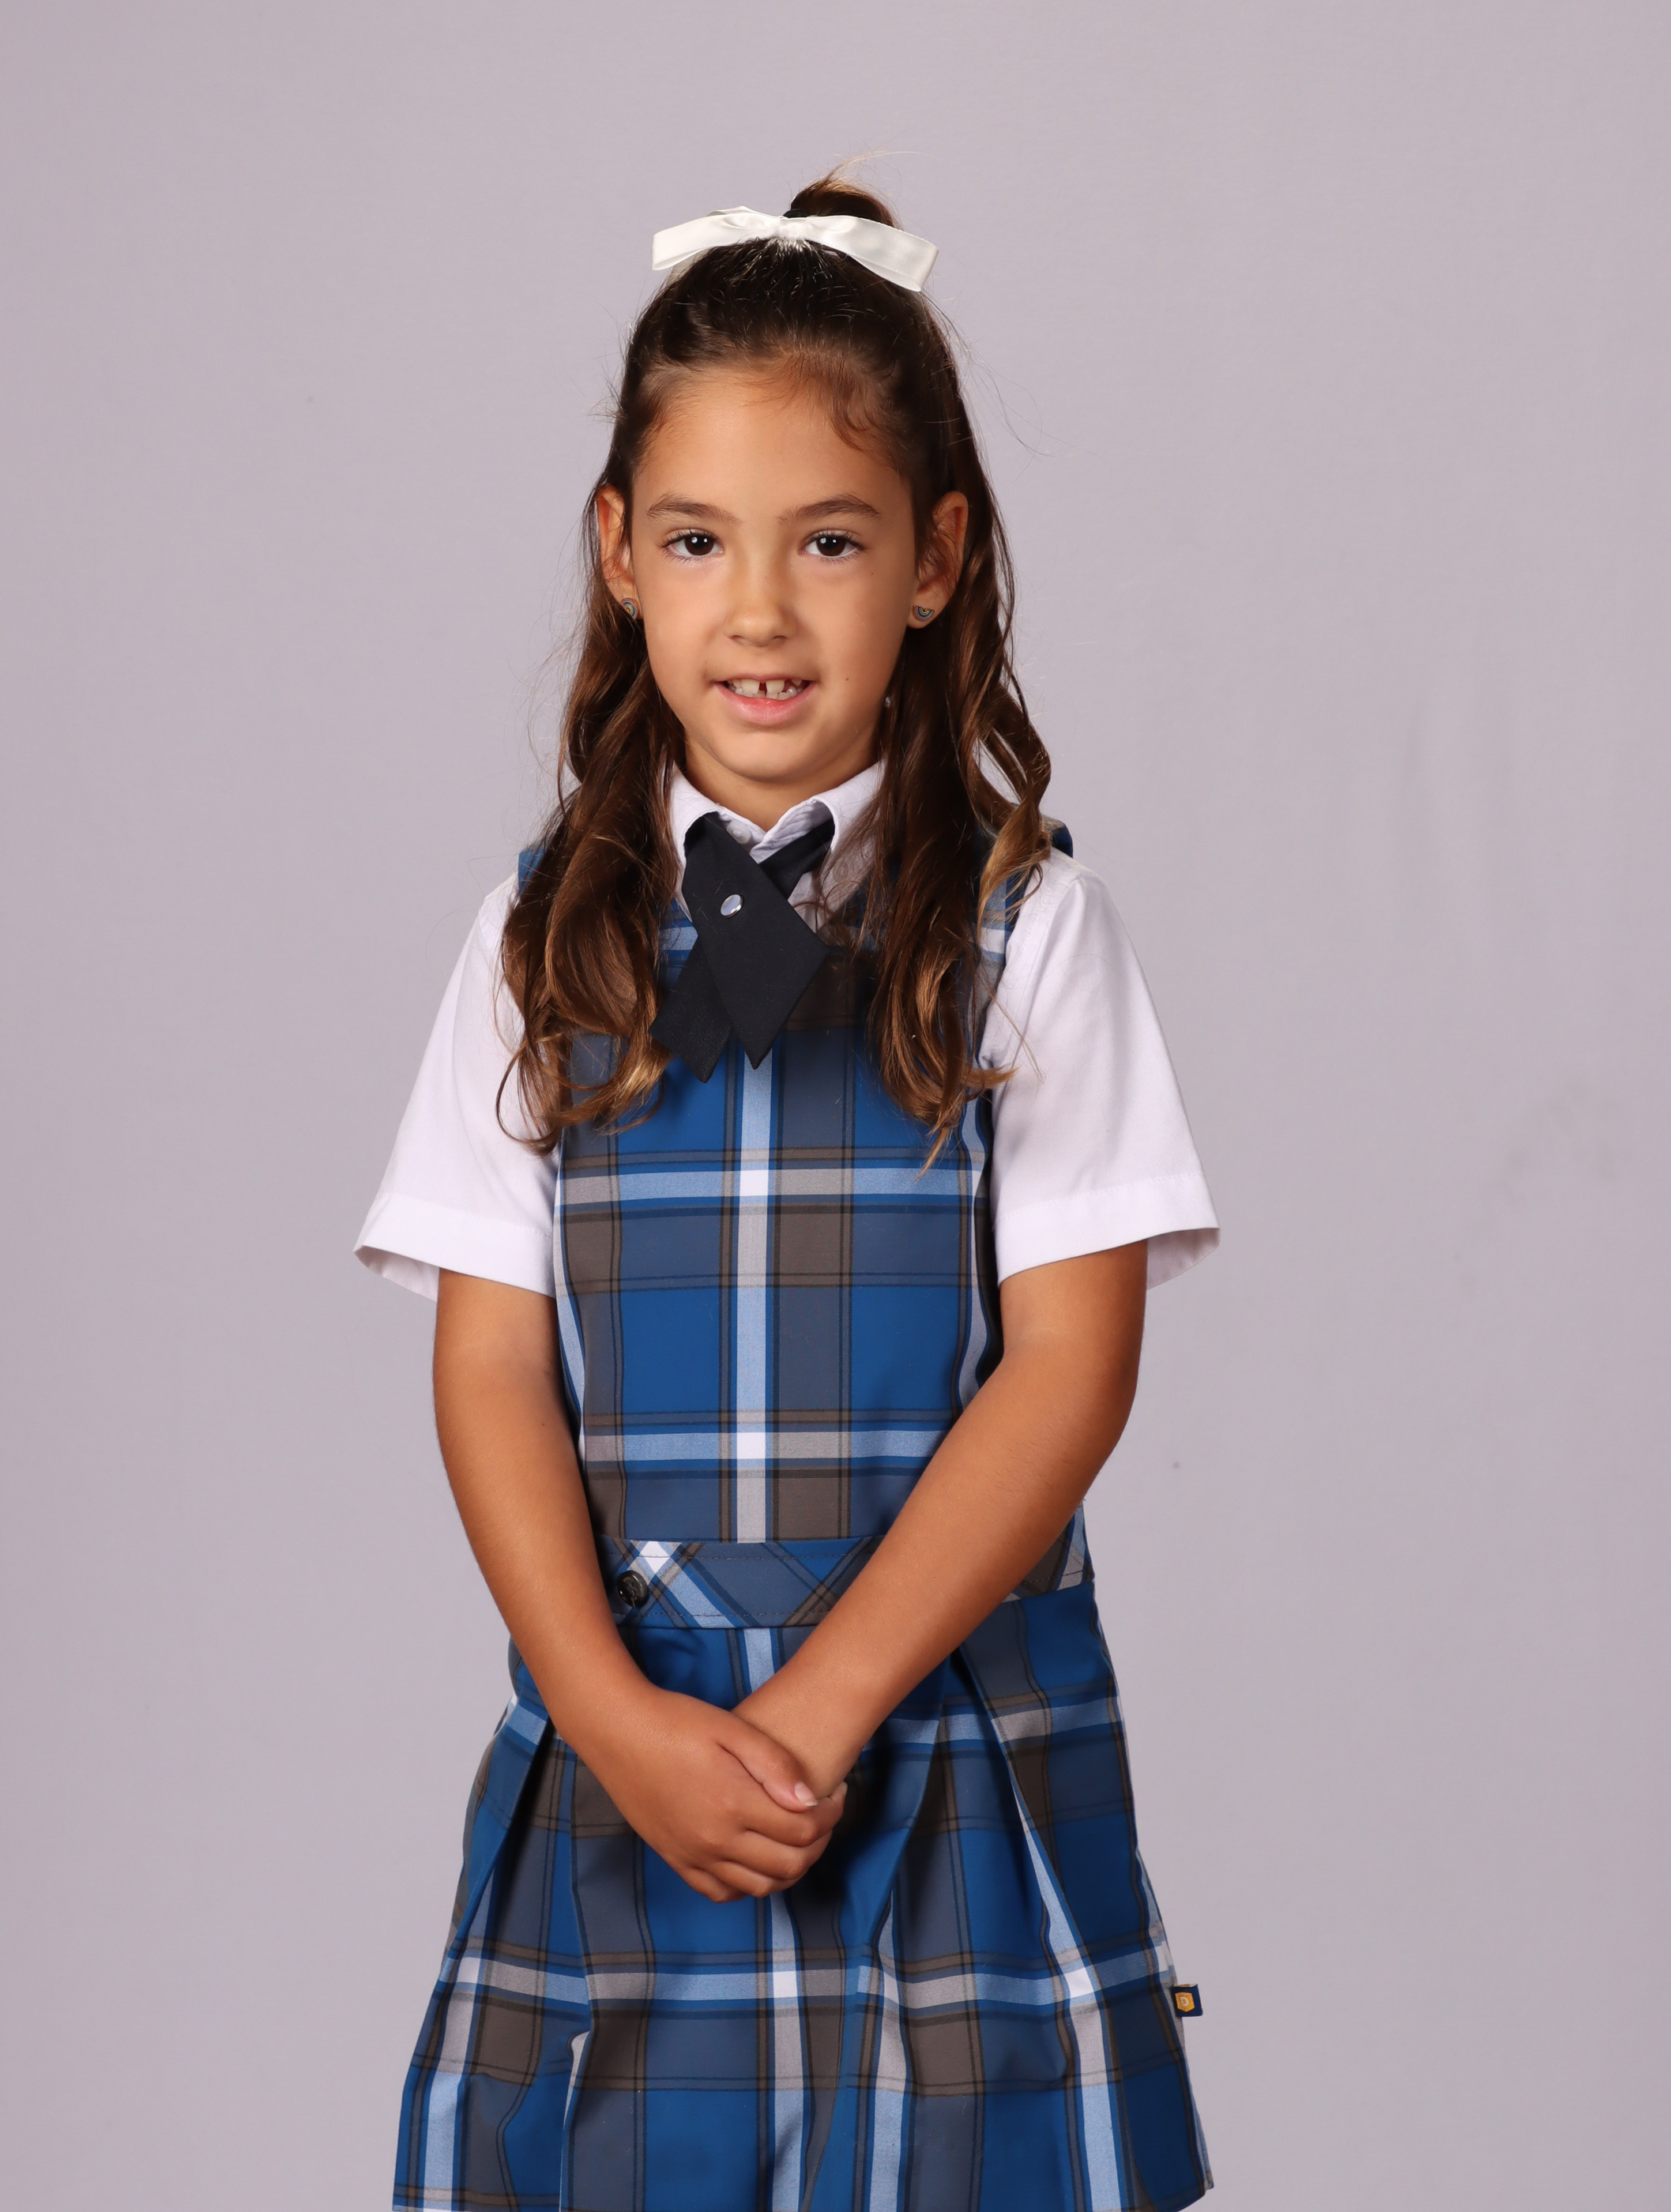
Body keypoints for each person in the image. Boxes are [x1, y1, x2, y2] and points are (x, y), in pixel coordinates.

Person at [356, 176, 1218, 2212]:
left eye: (827, 541)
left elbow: (1070, 1370)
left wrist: (826, 1708)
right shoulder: (535, 944)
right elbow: (492, 1367)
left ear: (935, 561)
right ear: (619, 557)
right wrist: (612, 1716)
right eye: (698, 542)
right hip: (640, 1738)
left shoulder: (1030, 934)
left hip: (933, 1729)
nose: (758, 610)